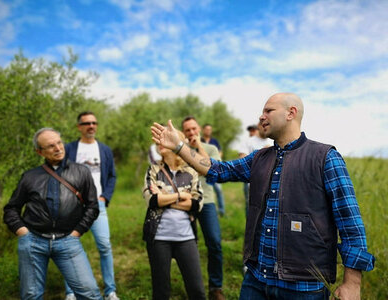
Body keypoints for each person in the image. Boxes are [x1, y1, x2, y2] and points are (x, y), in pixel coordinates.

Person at [151, 93, 375, 300]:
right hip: (256, 280)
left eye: (268, 111)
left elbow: (350, 222)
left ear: (291, 113)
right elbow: (218, 169)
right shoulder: (258, 158)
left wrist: (352, 282)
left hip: (304, 287)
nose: (261, 116)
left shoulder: (325, 157)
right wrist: (179, 146)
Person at [3, 128, 102, 300]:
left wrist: (77, 232)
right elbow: (11, 208)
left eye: (59, 142)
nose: (58, 148)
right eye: (50, 146)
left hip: (68, 241)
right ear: (39, 152)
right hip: (33, 241)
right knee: (31, 295)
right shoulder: (29, 176)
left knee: (90, 293)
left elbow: (92, 206)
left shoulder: (82, 172)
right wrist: (22, 231)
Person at [142, 130, 206, 300]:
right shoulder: (154, 170)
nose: (160, 143)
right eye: (159, 141)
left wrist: (164, 196)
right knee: (161, 291)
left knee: (197, 290)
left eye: (166, 139)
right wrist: (181, 196)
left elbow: (197, 204)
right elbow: (152, 201)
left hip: (186, 237)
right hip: (158, 238)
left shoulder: (190, 172)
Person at [64, 111, 119, 300]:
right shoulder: (69, 149)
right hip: (72, 206)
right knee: (68, 246)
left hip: (97, 205)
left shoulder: (104, 150)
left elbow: (112, 175)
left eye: (94, 122)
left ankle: (110, 291)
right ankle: (71, 292)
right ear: (79, 126)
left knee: (104, 245)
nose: (91, 126)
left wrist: (105, 197)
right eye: (87, 123)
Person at [181, 117, 225, 300]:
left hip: (206, 202)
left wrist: (198, 146)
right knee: (190, 248)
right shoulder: (181, 150)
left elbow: (210, 169)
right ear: (183, 133)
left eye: (193, 129)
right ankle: (194, 287)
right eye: (187, 130)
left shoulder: (211, 149)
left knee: (214, 243)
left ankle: (215, 288)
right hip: (186, 203)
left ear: (198, 129)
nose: (191, 133)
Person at [238, 124, 271, 215]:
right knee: (251, 209)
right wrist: (261, 153)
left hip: (270, 184)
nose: (266, 127)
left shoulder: (273, 142)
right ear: (259, 126)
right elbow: (242, 163)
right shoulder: (248, 142)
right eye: (263, 124)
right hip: (251, 183)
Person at [202, 124, 225, 216]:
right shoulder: (199, 141)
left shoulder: (215, 141)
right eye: (206, 129)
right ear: (203, 130)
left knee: (218, 190)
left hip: (214, 169)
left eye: (210, 129)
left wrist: (214, 161)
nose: (208, 131)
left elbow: (219, 153)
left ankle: (221, 210)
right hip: (202, 170)